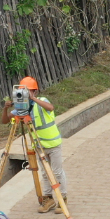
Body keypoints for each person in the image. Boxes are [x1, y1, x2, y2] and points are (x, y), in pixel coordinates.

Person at [17, 77, 67, 210]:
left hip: (53, 144)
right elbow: (6, 119)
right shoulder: (24, 106)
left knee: (57, 172)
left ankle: (63, 199)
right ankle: (48, 199)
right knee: (45, 174)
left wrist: (33, 99)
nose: (25, 94)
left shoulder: (42, 101)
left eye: (28, 91)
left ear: (35, 91)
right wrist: (9, 107)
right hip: (39, 146)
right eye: (23, 91)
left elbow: (51, 107)